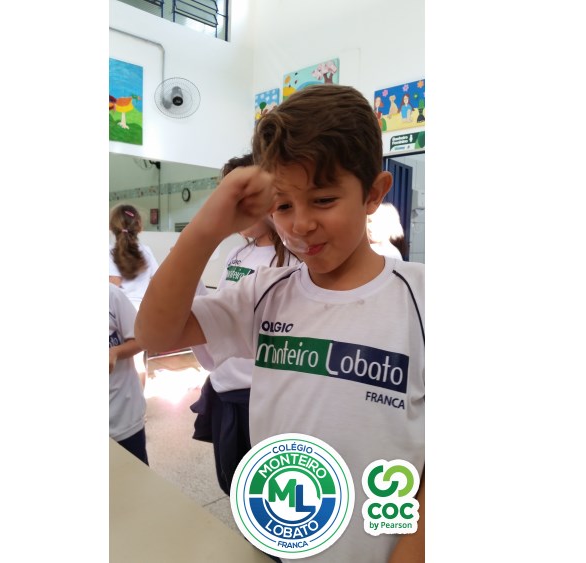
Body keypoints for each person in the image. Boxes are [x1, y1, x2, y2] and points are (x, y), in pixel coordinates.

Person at [135, 84, 424, 563]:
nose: (300, 225)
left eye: (324, 200)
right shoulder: (265, 292)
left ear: (373, 194)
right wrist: (206, 228)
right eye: (283, 206)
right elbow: (154, 334)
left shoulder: (419, 299)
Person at [189, 153, 300, 497]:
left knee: (262, 487)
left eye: (246, 200)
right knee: (230, 478)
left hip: (258, 391)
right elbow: (221, 308)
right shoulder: (237, 254)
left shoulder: (292, 260)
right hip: (223, 385)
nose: (237, 211)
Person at [109, 203, 159, 376]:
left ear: (112, 227)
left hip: (119, 318)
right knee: (138, 363)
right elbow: (156, 281)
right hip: (141, 314)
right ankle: (138, 393)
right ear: (139, 226)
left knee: (119, 365)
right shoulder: (147, 251)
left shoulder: (109, 253)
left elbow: (112, 287)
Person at [109, 283, 148, 465]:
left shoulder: (111, 295)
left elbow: (141, 339)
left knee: (136, 478)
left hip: (124, 418)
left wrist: (115, 352)